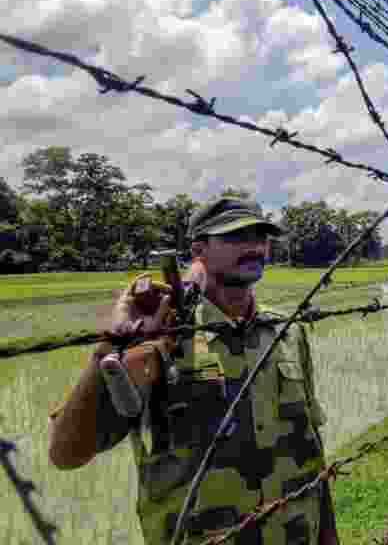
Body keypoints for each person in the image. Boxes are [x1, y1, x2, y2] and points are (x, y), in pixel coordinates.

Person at [47, 196, 339, 545]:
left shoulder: (287, 331)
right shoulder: (160, 339)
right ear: (199, 250)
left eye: (260, 237)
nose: (254, 247)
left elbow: (311, 449)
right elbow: (66, 454)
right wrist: (112, 344)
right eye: (235, 237)